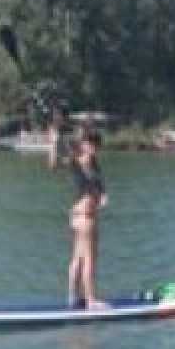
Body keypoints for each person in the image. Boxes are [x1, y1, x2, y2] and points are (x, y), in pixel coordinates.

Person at [67, 129, 109, 310]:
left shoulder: (94, 164)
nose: (94, 147)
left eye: (96, 144)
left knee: (78, 257)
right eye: (90, 143)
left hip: (83, 215)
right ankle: (90, 300)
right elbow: (54, 161)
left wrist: (104, 196)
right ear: (83, 144)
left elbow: (99, 188)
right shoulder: (79, 161)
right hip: (84, 217)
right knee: (89, 259)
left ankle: (73, 298)